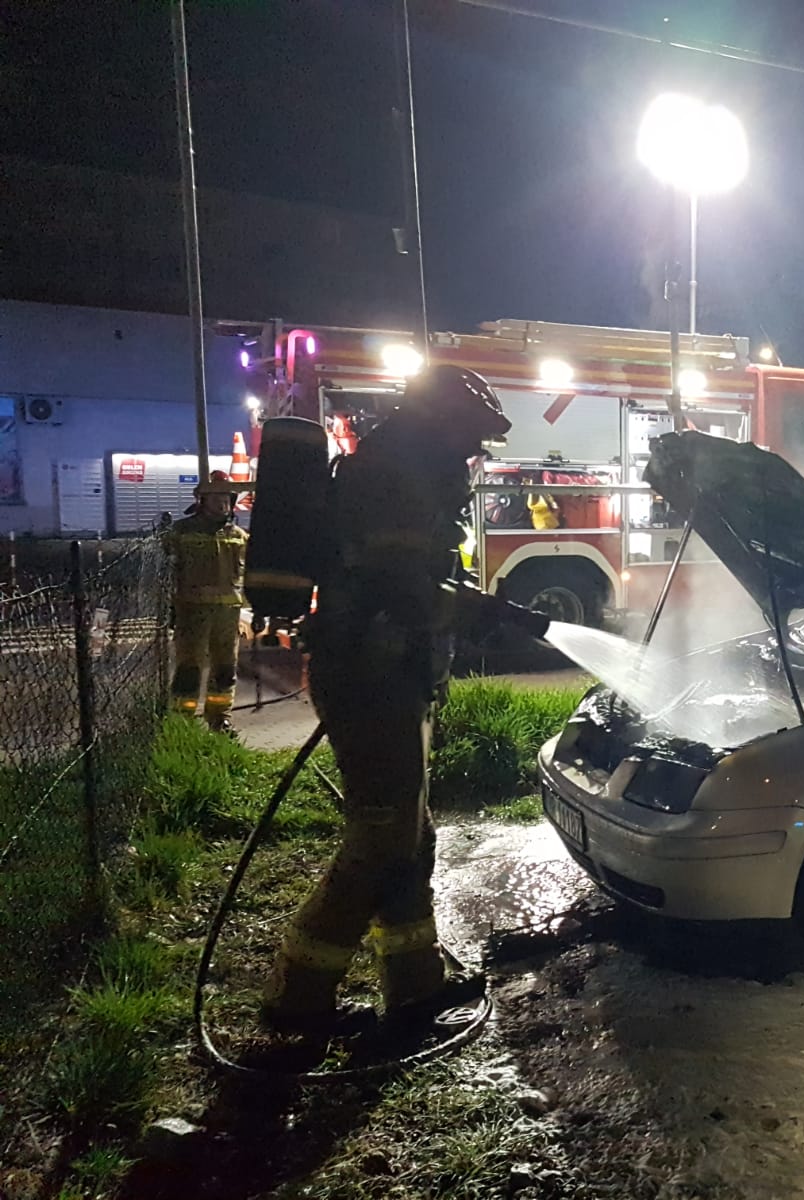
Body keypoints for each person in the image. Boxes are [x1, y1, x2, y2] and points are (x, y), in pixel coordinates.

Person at [262, 366, 550, 1037]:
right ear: (437, 424)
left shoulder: (404, 473)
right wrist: (481, 612)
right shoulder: (394, 480)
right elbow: (401, 590)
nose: (473, 453)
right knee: (380, 838)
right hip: (371, 678)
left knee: (411, 837)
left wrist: (478, 609)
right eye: (469, 436)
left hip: (392, 674)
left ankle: (415, 987)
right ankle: (296, 996)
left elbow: (413, 578)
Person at [162, 470, 247, 733]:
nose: (222, 502)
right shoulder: (180, 532)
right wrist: (169, 607)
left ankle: (220, 719)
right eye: (216, 497)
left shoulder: (239, 535)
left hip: (228, 615)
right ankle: (182, 723)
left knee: (225, 670)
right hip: (192, 612)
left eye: (226, 497)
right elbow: (165, 572)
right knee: (189, 670)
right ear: (202, 500)